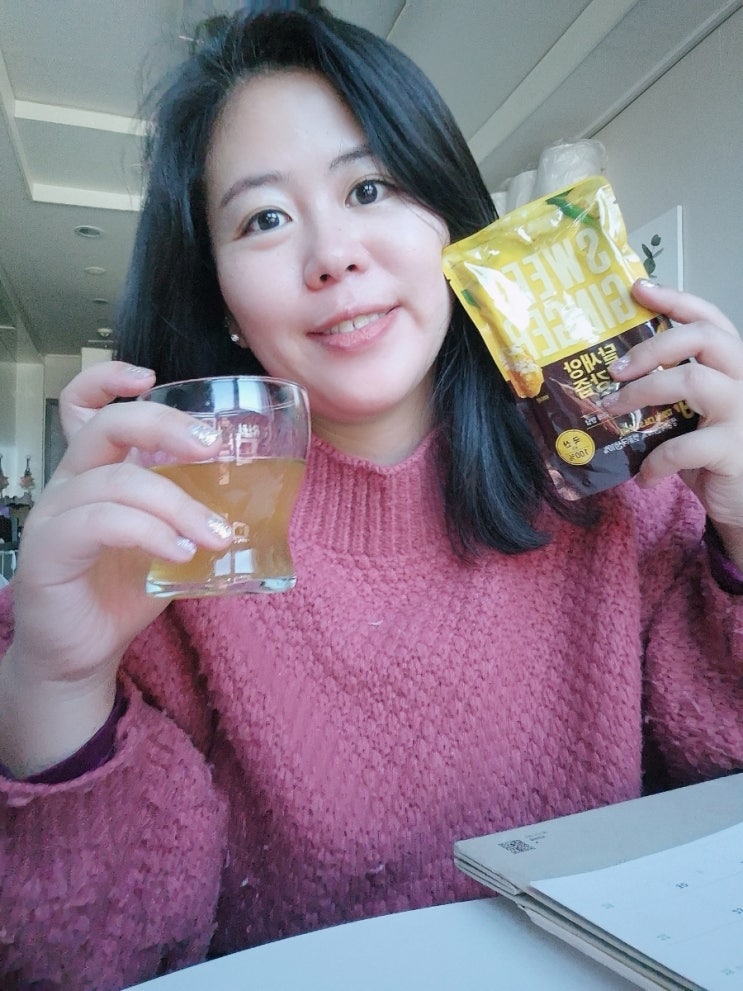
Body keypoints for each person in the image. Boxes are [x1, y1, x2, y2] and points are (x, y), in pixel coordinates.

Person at [1, 5, 742, 990]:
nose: (332, 254)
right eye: (264, 218)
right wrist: (54, 687)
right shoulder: (167, 542)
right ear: (222, 300)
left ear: (449, 227)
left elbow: (718, 782)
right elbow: (95, 957)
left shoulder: (613, 479)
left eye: (369, 187)